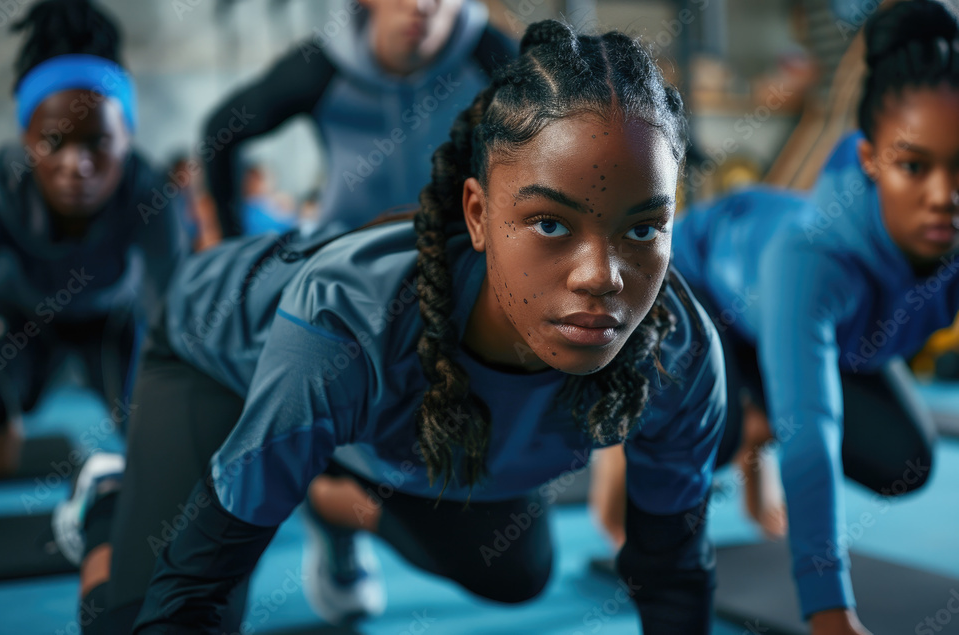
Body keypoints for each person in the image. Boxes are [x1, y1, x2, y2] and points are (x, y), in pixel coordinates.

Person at [62, 20, 728, 634]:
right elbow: (188, 597)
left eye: (643, 228)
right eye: (551, 223)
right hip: (218, 355)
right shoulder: (349, 324)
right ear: (477, 214)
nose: (601, 277)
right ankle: (107, 504)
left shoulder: (679, 350)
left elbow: (673, 570)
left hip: (365, 411)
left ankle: (328, 490)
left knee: (515, 569)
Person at [592, 1, 957, 632]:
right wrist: (829, 613)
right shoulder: (810, 259)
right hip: (704, 285)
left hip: (811, 330)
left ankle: (757, 415)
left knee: (905, 464)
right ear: (871, 160)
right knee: (717, 432)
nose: (943, 196)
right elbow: (811, 435)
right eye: (914, 166)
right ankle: (639, 437)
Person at [0, 0, 188, 482]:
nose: (74, 166)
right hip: (22, 321)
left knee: (159, 442)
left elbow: (173, 316)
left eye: (97, 143)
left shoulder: (150, 193)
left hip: (108, 320)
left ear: (127, 138)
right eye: (54, 143)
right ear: (27, 140)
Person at [202, 0, 517, 237]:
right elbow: (221, 131)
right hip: (346, 264)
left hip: (464, 260)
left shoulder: (495, 59)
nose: (420, 5)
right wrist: (232, 241)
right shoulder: (320, 68)